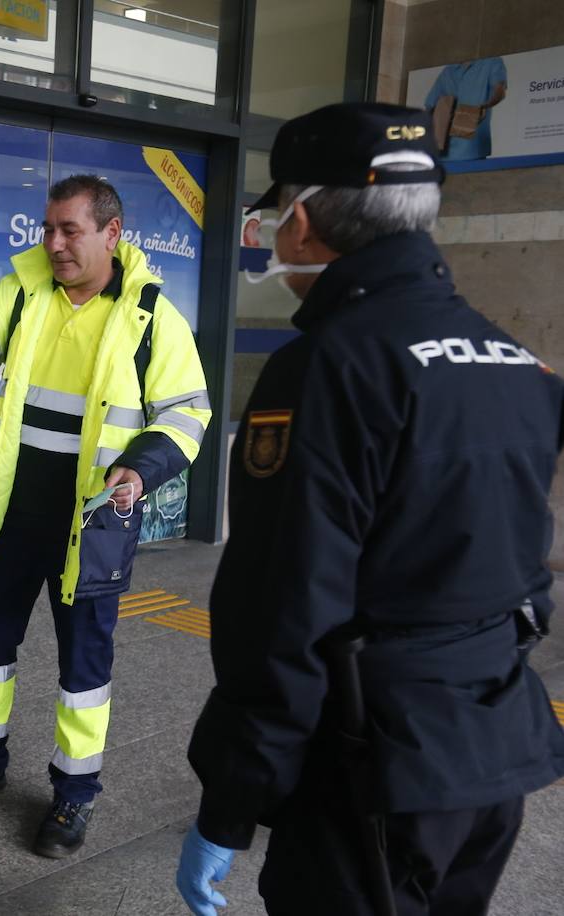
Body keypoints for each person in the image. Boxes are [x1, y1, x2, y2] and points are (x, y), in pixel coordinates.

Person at [177, 102, 564, 916]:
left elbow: (284, 609)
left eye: (275, 208)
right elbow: (521, 553)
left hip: (373, 768)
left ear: (304, 221)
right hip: (490, 751)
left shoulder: (325, 370)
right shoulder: (514, 358)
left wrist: (231, 801)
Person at [0, 175, 211, 857]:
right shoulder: (24, 291)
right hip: (14, 511)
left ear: (111, 233)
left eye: (70, 230)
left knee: (86, 662)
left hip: (96, 520)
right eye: (48, 229)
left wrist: (143, 465)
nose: (54, 244)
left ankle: (74, 794)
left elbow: (189, 409)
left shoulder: (152, 316)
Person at [424, 57, 507, 160]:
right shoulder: (449, 70)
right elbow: (430, 105)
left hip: (473, 148)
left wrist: (485, 106)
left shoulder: (491, 62)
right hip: (444, 149)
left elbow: (500, 91)